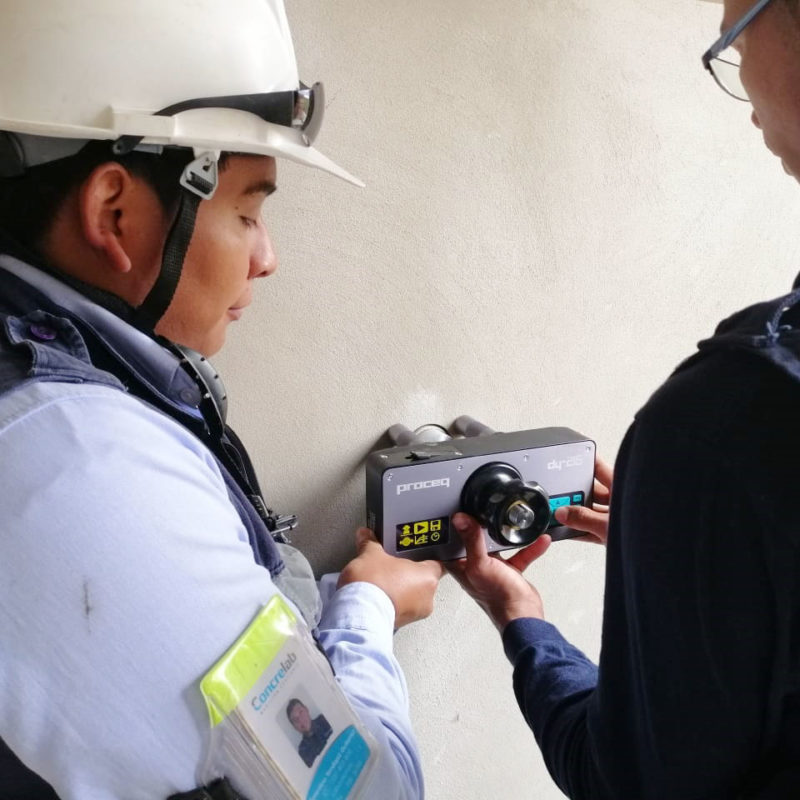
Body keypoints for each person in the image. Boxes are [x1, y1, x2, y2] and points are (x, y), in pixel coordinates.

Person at [0, 2, 444, 798]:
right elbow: (369, 790)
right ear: (114, 212)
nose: (267, 257)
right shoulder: (76, 471)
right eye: (248, 209)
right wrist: (368, 616)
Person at [450, 1, 800, 798]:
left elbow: (628, 781)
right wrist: (710, 568)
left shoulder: (724, 429)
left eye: (734, 36)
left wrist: (523, 621)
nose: (739, 72)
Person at [286, 699, 334, 768]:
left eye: (301, 712)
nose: (300, 720)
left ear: (306, 709)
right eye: (295, 719)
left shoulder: (325, 720)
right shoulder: (303, 751)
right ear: (294, 727)